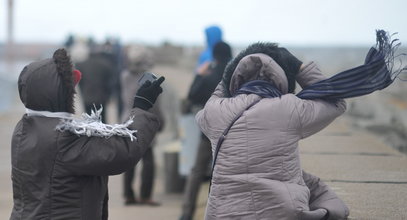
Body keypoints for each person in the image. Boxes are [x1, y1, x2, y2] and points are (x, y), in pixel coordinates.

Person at [195, 43, 349, 220]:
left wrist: (226, 77)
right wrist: (299, 67)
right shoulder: (289, 107)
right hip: (283, 214)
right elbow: (335, 102)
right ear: (283, 78)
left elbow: (204, 112)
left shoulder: (215, 112)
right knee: (318, 192)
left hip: (221, 215)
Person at [10, 48, 165, 220]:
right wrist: (142, 107)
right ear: (55, 94)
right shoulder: (62, 139)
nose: (73, 92)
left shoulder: (24, 129)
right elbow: (123, 152)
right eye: (68, 88)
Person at [179, 41, 232, 220]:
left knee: (197, 172)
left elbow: (192, 96)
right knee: (228, 174)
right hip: (232, 133)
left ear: (214, 56)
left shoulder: (209, 77)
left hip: (208, 131)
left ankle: (187, 213)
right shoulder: (235, 78)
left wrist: (198, 75)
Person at [121, 45, 165, 206]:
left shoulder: (125, 76)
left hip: (127, 118)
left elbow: (125, 98)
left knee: (128, 158)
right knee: (148, 159)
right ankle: (145, 196)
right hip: (145, 118)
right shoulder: (151, 77)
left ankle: (128, 195)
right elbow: (155, 103)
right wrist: (161, 120)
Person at [76, 47, 116, 123]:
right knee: (102, 120)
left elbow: (80, 82)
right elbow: (110, 83)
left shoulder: (82, 64)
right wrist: (109, 96)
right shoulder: (106, 64)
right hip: (101, 97)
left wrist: (83, 93)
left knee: (88, 120)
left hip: (87, 97)